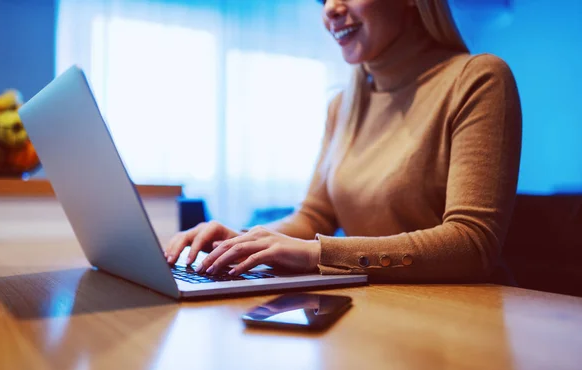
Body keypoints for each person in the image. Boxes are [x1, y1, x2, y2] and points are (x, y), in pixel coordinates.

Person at [164, 0, 522, 283]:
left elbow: (472, 244)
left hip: (460, 316)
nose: (330, 8)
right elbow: (312, 218)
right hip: (373, 303)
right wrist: (242, 241)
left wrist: (317, 254)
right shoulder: (344, 103)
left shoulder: (478, 79)